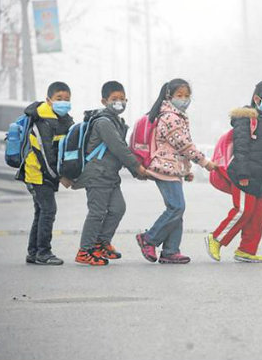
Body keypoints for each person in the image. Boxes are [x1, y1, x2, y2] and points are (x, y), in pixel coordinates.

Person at [135, 79, 216, 264]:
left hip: (172, 168)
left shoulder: (177, 115)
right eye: (179, 95)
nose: (184, 99)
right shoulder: (170, 117)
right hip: (164, 168)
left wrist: (186, 170)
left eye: (187, 96)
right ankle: (148, 239)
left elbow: (179, 150)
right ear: (169, 97)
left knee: (176, 210)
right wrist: (204, 162)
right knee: (177, 207)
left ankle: (170, 251)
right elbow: (184, 145)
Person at [205, 79, 262, 263]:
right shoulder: (246, 119)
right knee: (243, 211)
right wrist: (242, 174)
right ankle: (216, 239)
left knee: (257, 215)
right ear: (257, 98)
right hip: (244, 174)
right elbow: (241, 147)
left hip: (260, 176)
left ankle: (246, 250)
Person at [74, 81, 148, 266]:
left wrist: (135, 170)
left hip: (110, 175)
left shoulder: (117, 122)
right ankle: (85, 250)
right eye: (114, 99)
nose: (119, 102)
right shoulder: (104, 122)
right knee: (97, 212)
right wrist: (137, 168)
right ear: (104, 100)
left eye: (122, 99)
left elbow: (120, 150)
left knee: (117, 208)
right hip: (97, 174)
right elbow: (119, 148)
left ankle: (101, 243)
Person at [17, 81, 74, 265]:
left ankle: (33, 252)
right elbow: (46, 155)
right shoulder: (42, 120)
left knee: (40, 211)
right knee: (49, 210)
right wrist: (60, 177)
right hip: (37, 173)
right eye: (59, 98)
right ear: (49, 100)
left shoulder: (63, 120)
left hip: (46, 174)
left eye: (67, 99)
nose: (63, 102)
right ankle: (44, 253)